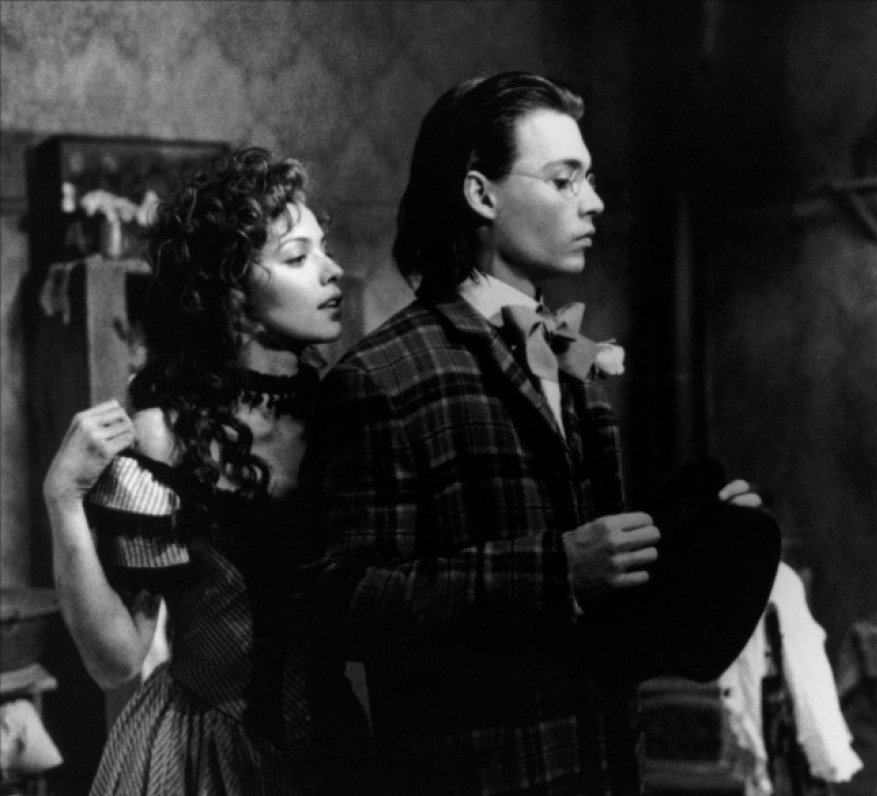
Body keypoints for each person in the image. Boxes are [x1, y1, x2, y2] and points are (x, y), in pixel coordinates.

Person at [302, 71, 762, 795]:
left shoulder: (567, 356)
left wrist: (691, 539)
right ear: (481, 195)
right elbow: (342, 603)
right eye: (563, 179)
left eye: (590, 179)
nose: (594, 201)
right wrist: (556, 573)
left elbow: (602, 602)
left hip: (601, 769)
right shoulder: (380, 377)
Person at [42, 146, 366, 794]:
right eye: (297, 257)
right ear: (232, 292)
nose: (332, 271)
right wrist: (63, 500)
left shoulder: (349, 414)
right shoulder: (165, 436)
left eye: (324, 250)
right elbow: (116, 662)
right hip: (203, 759)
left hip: (339, 750)